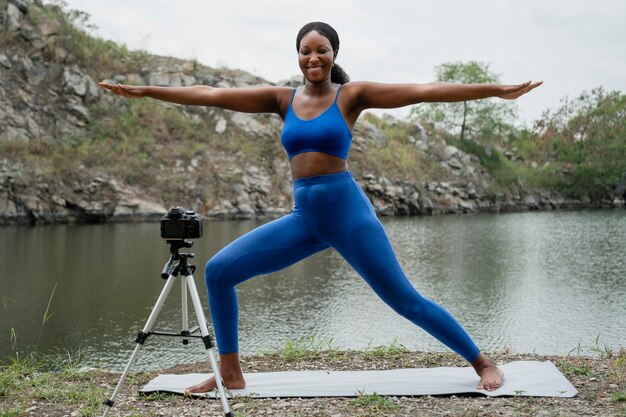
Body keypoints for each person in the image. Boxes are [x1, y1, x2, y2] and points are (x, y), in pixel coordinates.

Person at [100, 21, 542, 394]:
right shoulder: (282, 100)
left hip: (348, 216)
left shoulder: (352, 96)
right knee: (218, 271)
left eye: (322, 51)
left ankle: (483, 363)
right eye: (305, 52)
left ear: (334, 54)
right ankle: (230, 373)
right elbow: (212, 93)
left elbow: (423, 91)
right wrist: (144, 90)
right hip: (305, 218)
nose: (313, 59)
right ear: (297, 56)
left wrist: (495, 90)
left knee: (405, 300)